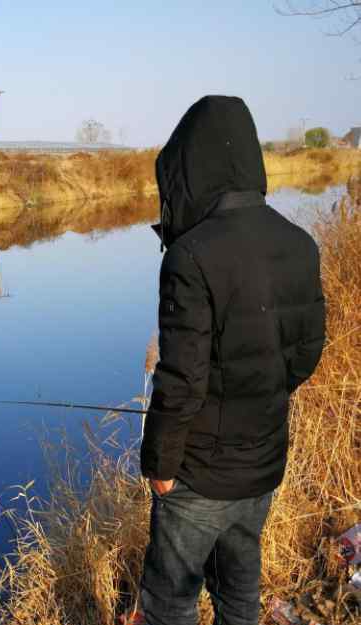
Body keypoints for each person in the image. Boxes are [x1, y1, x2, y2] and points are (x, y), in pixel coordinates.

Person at [137, 95, 326, 625]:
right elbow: (308, 350)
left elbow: (181, 379)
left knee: (170, 602)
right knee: (240, 592)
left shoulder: (190, 254)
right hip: (264, 463)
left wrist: (161, 466)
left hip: (198, 473)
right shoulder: (300, 242)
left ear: (191, 167)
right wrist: (257, 395)